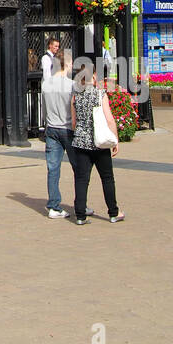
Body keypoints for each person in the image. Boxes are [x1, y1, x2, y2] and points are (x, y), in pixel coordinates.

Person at [70, 62, 124, 226]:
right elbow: (109, 120)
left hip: (81, 142)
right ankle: (113, 212)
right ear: (93, 76)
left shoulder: (75, 96)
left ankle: (80, 215)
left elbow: (73, 123)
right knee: (107, 178)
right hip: (99, 143)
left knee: (81, 179)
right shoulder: (100, 94)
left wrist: (81, 131)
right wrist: (115, 139)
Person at [42, 52, 92, 220]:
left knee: (53, 169)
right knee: (79, 169)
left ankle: (54, 207)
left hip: (51, 128)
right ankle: (81, 205)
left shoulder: (45, 84)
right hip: (68, 129)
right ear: (68, 64)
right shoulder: (72, 85)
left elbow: (44, 108)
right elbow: (77, 108)